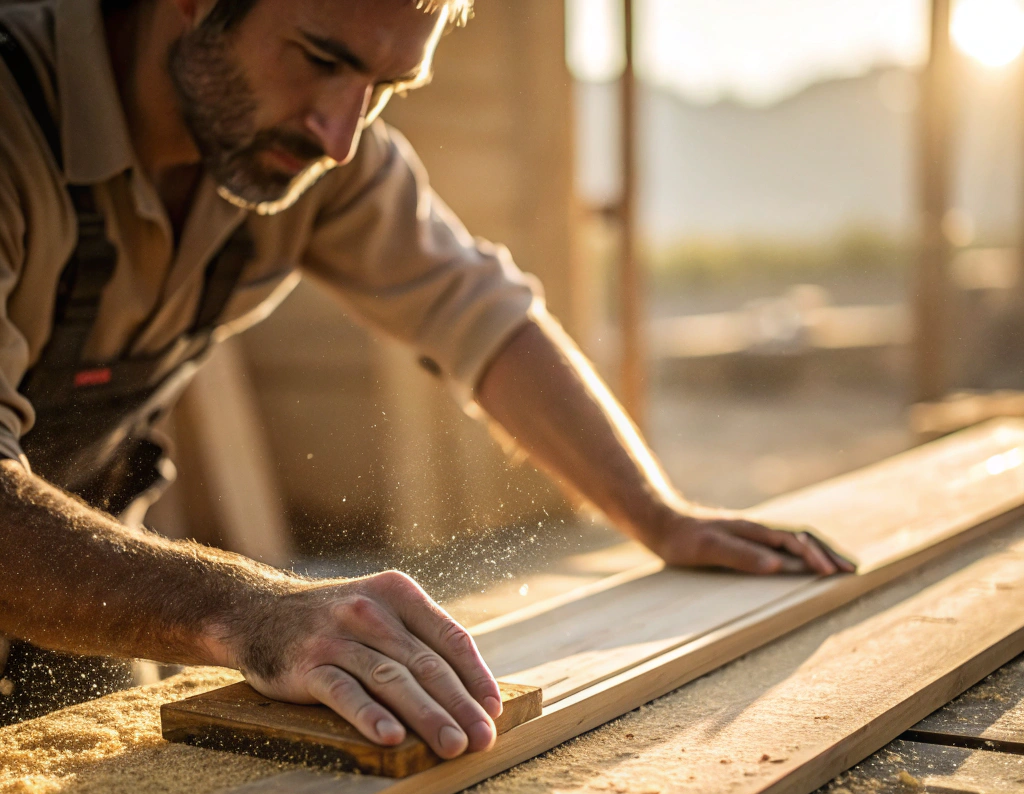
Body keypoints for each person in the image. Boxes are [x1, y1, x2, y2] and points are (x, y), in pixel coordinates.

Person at [0, 0, 852, 751]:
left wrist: (660, 517)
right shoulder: (14, 115)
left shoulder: (313, 151)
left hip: (101, 601)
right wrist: (251, 608)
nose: (339, 137)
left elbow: (483, 317)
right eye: (322, 59)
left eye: (385, 88)